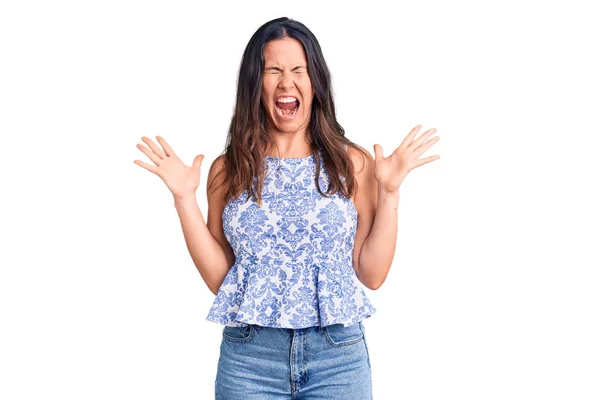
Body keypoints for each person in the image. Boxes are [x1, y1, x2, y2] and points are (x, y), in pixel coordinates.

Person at [134, 16, 440, 400]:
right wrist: (183, 200)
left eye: (298, 69)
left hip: (337, 358)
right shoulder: (228, 169)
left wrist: (390, 193)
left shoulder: (353, 164)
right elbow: (221, 280)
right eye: (273, 70)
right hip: (250, 359)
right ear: (254, 84)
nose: (286, 81)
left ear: (315, 82)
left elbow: (372, 273)